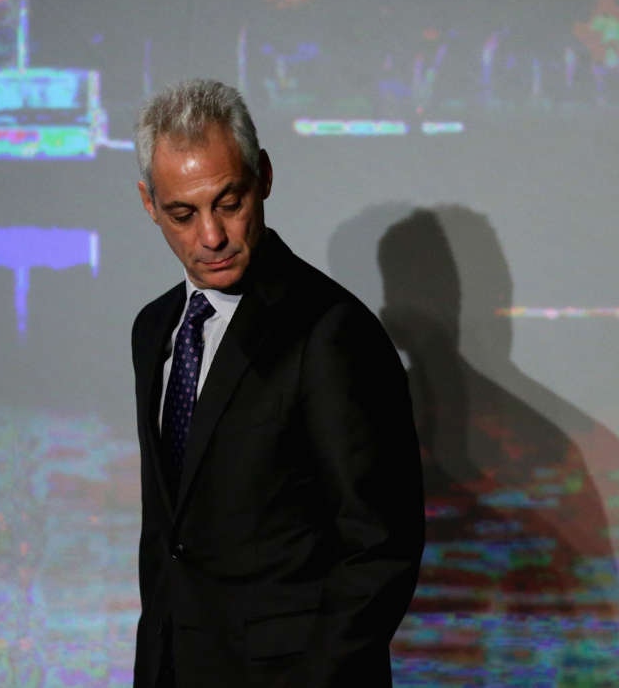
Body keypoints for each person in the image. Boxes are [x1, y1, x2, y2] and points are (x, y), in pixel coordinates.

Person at [129, 79, 424, 687]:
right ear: (149, 204)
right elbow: (170, 538)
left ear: (263, 176)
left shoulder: (332, 332)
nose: (210, 237)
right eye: (183, 214)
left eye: (229, 203)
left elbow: (379, 548)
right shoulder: (153, 329)